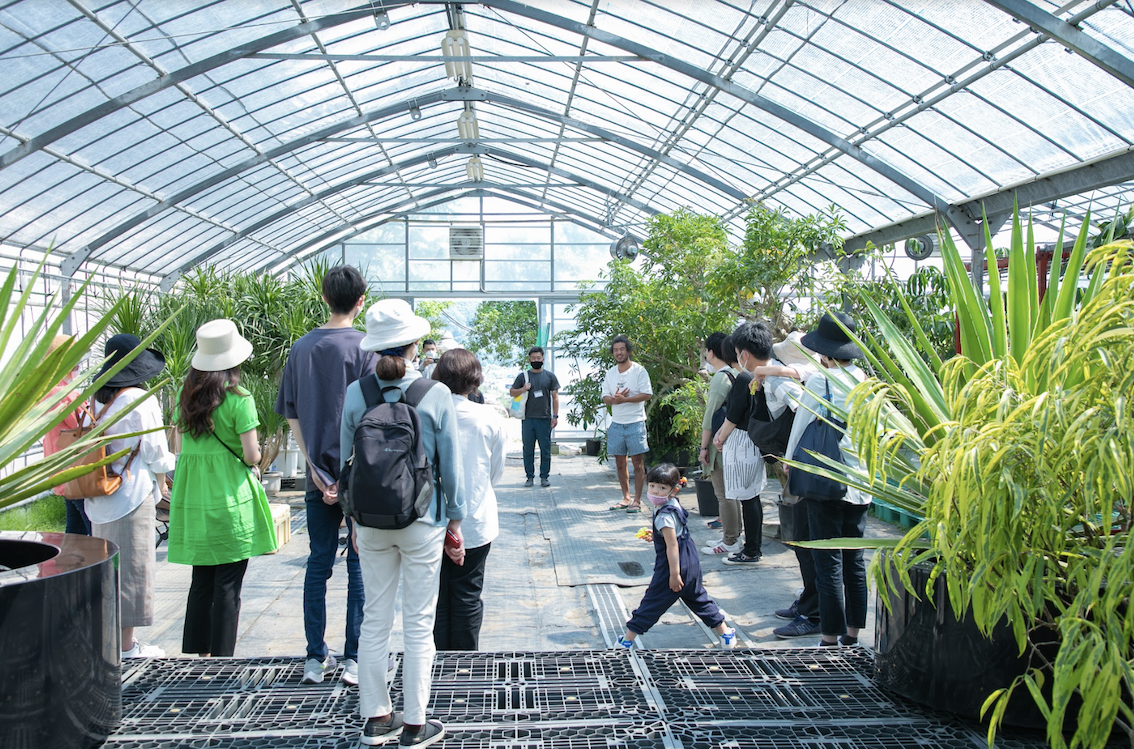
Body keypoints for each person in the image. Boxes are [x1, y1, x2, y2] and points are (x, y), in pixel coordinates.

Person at [343, 299, 465, 748]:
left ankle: (376, 719)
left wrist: (351, 521)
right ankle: (415, 724)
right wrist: (455, 520)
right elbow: (450, 468)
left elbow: (346, 463)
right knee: (418, 622)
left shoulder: (357, 393)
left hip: (371, 522)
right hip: (422, 520)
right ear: (416, 344)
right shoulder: (435, 394)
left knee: (374, 619)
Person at [275, 265, 374, 686]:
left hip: (318, 476)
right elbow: (373, 417)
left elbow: (292, 414)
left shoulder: (301, 348)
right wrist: (347, 472)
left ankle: (315, 657)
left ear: (323, 297)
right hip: (358, 475)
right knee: (359, 563)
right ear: (361, 300)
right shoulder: (368, 349)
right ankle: (354, 657)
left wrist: (315, 469)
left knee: (318, 562)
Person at [168, 320, 278, 657]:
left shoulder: (183, 396)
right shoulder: (238, 399)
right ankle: (221, 659)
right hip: (229, 496)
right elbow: (251, 455)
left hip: (194, 498)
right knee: (228, 584)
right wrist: (257, 458)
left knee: (200, 582)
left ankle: (195, 655)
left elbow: (177, 447)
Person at [86, 333, 176, 659]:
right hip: (130, 495)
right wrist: (169, 472)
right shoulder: (138, 399)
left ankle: (109, 642)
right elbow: (155, 452)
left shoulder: (95, 399)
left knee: (107, 574)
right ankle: (126, 647)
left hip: (97, 495)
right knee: (133, 572)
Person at [784, 312, 869, 647]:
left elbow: (802, 424)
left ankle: (829, 637)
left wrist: (790, 462)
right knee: (855, 561)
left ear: (827, 352)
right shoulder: (864, 380)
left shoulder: (821, 381)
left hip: (827, 480)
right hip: (861, 480)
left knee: (828, 560)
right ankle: (853, 634)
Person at [432, 349, 505, 650]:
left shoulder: (426, 414)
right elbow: (495, 472)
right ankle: (465, 666)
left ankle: (436, 663)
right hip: (476, 522)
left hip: (430, 521)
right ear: (475, 380)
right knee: (467, 593)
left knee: (435, 595)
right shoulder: (488, 417)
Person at [617, 464, 736, 649]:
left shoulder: (664, 515)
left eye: (662, 488)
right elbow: (674, 533)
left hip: (673, 567)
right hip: (692, 562)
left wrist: (674, 574)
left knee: (652, 602)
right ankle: (726, 634)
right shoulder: (673, 504)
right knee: (699, 600)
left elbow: (672, 546)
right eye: (652, 486)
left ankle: (627, 640)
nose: (656, 491)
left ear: (673, 490)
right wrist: (656, 534)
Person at [713, 321, 803, 566]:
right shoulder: (763, 375)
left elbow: (803, 408)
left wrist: (794, 454)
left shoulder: (774, 379)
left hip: (794, 456)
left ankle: (752, 549)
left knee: (751, 499)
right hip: (777, 450)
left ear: (743, 354)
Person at [42, 334, 90, 535]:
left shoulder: (46, 391)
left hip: (61, 469)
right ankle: (106, 568)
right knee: (91, 527)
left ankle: (68, 565)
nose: (78, 367)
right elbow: (83, 426)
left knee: (75, 529)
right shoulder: (63, 394)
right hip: (75, 470)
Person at [698, 333, 740, 556]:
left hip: (719, 443)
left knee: (724, 494)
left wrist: (704, 448)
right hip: (734, 442)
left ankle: (730, 539)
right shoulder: (736, 373)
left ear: (711, 352)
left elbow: (709, 418)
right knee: (734, 493)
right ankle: (732, 535)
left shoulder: (720, 378)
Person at [602, 335, 653, 511]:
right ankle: (625, 497)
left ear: (628, 351)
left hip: (635, 422)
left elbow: (647, 394)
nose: (619, 353)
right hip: (616, 423)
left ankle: (637, 500)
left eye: (622, 349)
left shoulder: (639, 371)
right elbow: (605, 397)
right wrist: (614, 400)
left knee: (638, 463)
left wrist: (626, 399)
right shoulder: (610, 373)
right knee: (619, 463)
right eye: (615, 350)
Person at [508, 346, 560, 488]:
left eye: (539, 358)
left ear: (543, 359)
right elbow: (512, 392)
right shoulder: (523, 376)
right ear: (529, 360)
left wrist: (555, 416)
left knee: (545, 449)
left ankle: (544, 477)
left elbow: (555, 397)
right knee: (527, 449)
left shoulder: (550, 376)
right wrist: (523, 389)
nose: (536, 360)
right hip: (527, 418)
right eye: (533, 358)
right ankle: (529, 477)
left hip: (544, 418)